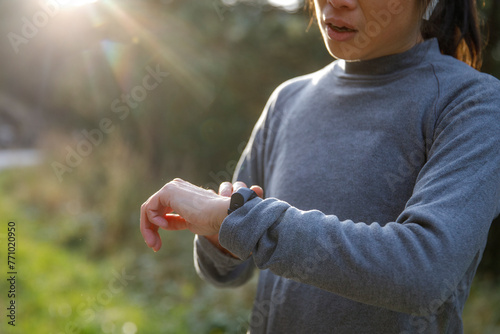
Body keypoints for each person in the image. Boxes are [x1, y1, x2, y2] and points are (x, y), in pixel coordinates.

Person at [140, 0, 500, 332]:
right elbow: (229, 270)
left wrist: (240, 221)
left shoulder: (474, 104)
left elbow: (424, 274)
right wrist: (221, 235)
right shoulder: (288, 99)